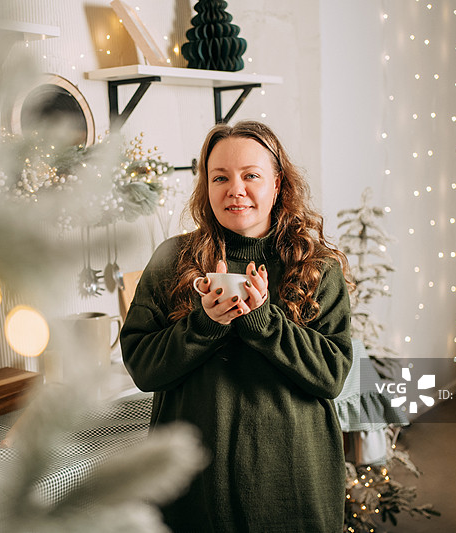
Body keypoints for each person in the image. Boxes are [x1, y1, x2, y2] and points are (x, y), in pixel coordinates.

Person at [120, 120, 353, 532]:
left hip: (293, 484)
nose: (235, 189)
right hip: (194, 487)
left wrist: (264, 321)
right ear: (205, 186)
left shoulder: (316, 267)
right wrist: (204, 325)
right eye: (220, 177)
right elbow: (141, 365)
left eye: (251, 176)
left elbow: (331, 375)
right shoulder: (171, 259)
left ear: (277, 185)